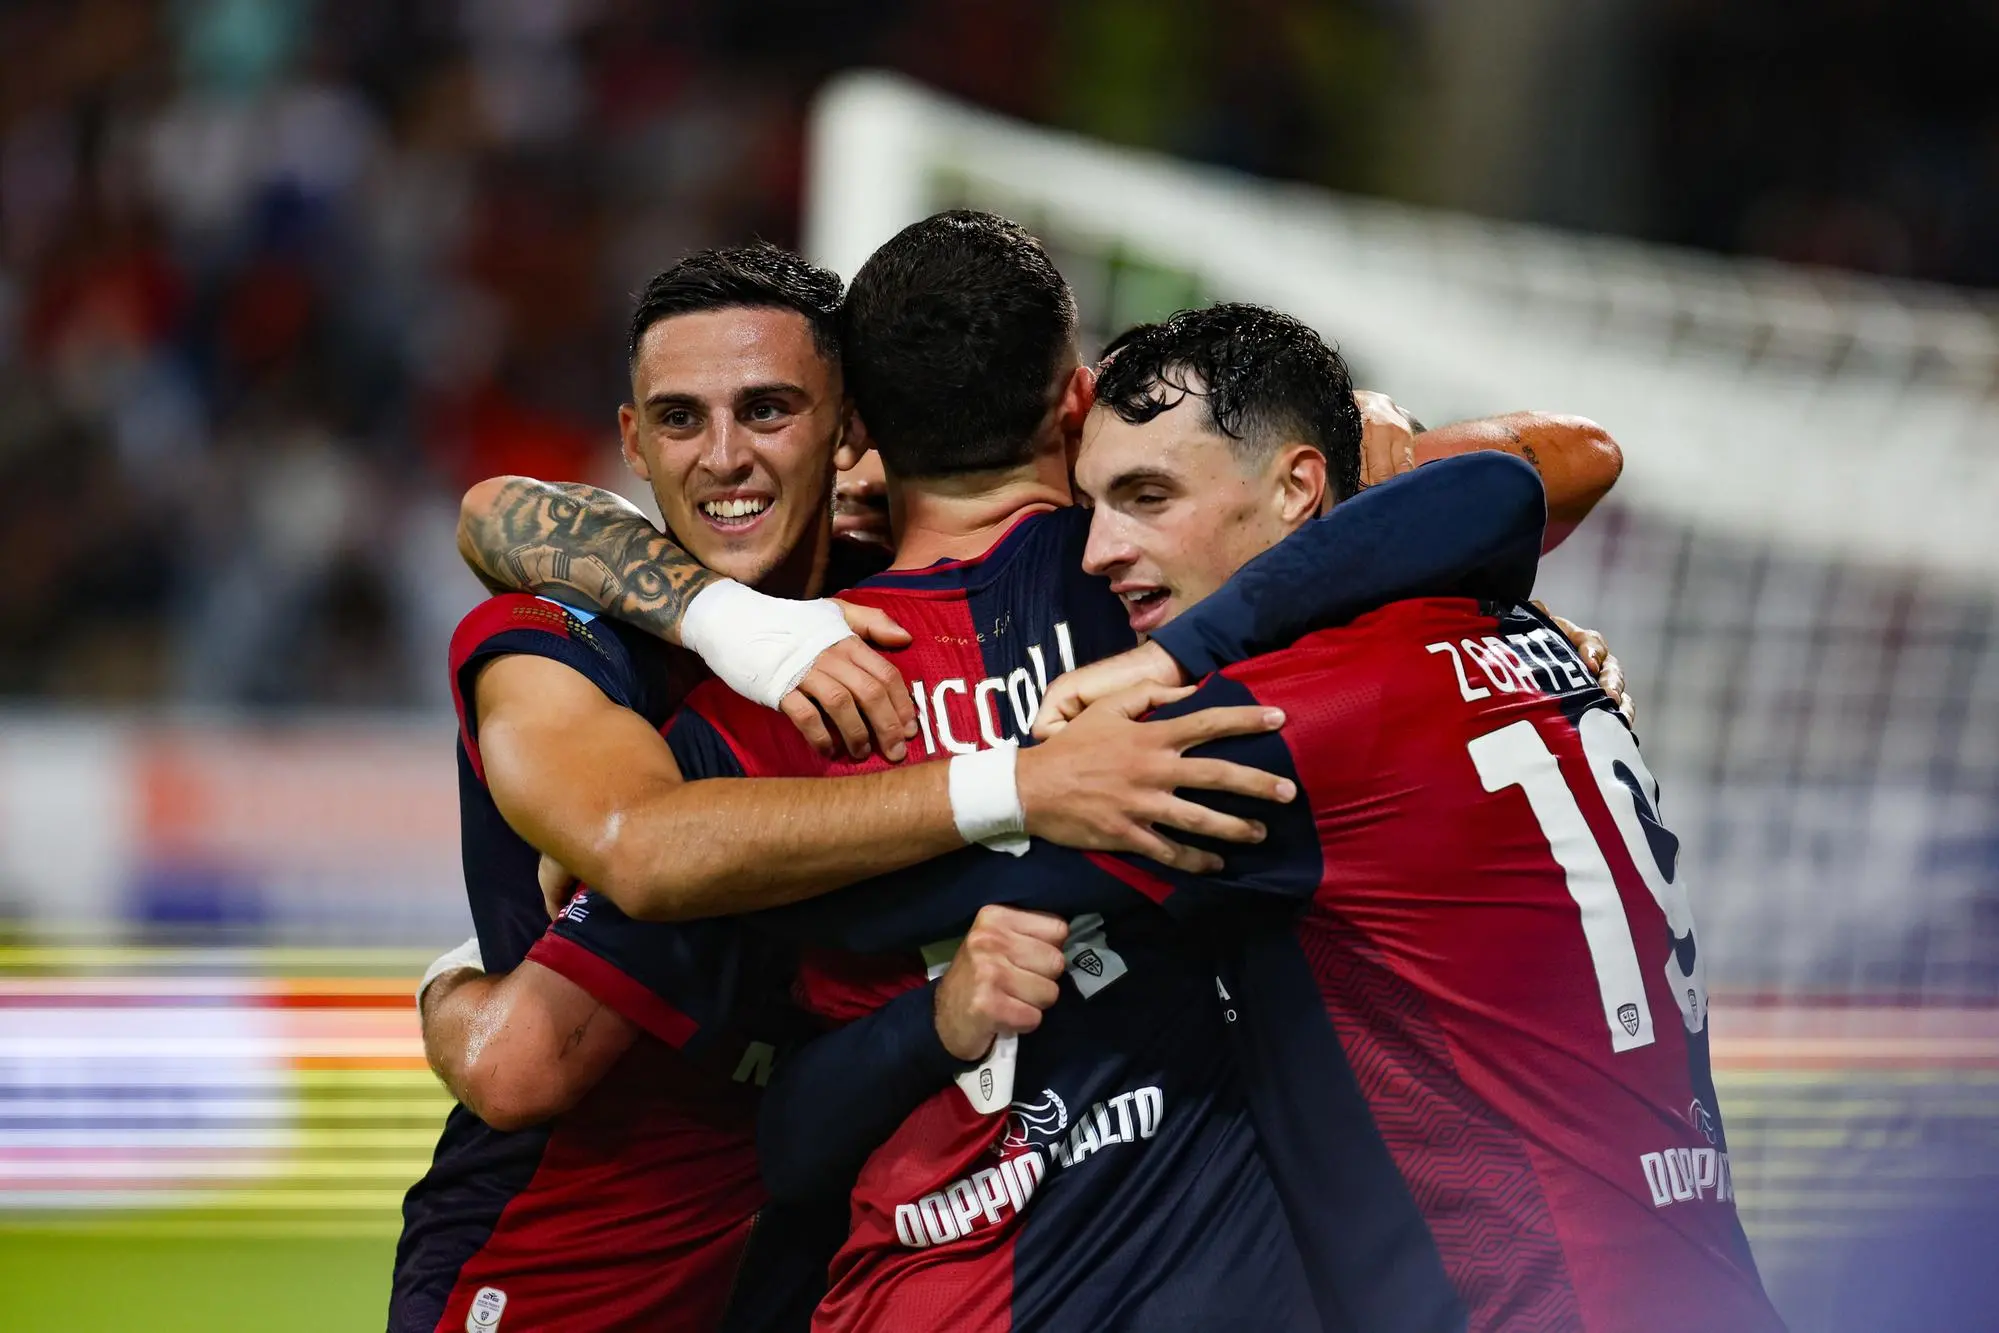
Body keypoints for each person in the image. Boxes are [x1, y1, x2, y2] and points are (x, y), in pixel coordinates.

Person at [492, 212, 1625, 1330]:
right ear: (1077, 398)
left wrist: (482, 956)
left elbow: (539, 1053)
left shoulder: (752, 722)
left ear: (856, 433)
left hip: (922, 1288)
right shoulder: (1192, 585)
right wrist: (1453, 593)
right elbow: (1566, 460)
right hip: (1230, 1273)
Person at [391, 244, 1297, 1333]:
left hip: (816, 1232)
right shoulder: (558, 639)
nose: (724, 457)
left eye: (768, 410)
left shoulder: (893, 598)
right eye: (680, 420)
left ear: (849, 429)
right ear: (631, 441)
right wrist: (450, 979)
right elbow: (531, 1037)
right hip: (572, 1255)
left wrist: (1342, 431)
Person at [856, 302, 1784, 1332]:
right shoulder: (1520, 632)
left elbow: (893, 904)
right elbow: (1505, 484)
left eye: (1148, 497)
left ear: (1300, 487)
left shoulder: (1280, 727)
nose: (1095, 551)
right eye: (1092, 506)